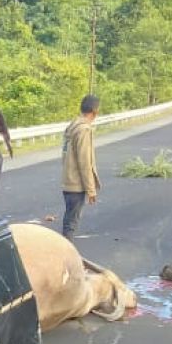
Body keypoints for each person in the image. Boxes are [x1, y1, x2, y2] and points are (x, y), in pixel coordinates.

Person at [60, 94, 101, 239]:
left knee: (69, 219)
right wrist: (91, 189)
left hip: (67, 181)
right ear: (95, 111)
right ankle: (65, 254)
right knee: (71, 224)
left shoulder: (72, 126)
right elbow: (85, 162)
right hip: (76, 184)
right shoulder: (84, 129)